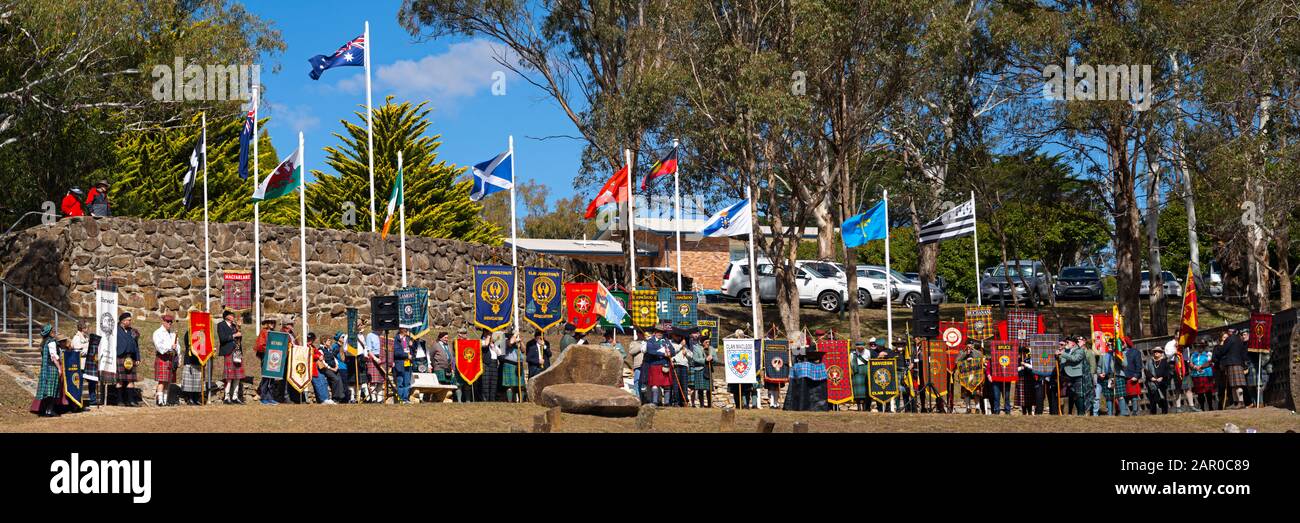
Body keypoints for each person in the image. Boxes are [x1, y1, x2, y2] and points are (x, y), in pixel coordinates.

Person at [1213, 329, 1248, 408]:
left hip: (1232, 363)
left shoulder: (1229, 339)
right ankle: (1236, 403)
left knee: (1237, 384)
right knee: (1234, 385)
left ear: (1230, 332)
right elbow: (1243, 353)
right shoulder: (1240, 340)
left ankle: (1241, 402)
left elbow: (1223, 351)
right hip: (1239, 363)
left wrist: (1218, 351)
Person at [31, 325, 62, 416]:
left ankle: (45, 410)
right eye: (53, 330)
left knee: (47, 390)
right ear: (49, 332)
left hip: (45, 368)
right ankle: (49, 410)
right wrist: (59, 368)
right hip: (52, 368)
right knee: (51, 390)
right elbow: (53, 357)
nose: (54, 331)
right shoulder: (51, 342)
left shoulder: (44, 343)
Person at [152, 314, 180, 407]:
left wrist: (177, 352)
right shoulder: (157, 333)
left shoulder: (173, 334)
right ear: (163, 321)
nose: (169, 323)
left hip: (171, 358)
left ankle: (165, 400)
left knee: (168, 381)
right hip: (162, 357)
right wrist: (170, 347)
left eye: (171, 322)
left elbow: (178, 346)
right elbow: (159, 347)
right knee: (162, 380)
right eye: (167, 321)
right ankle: (159, 401)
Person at [642, 327, 674, 406]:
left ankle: (666, 403)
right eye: (658, 332)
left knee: (667, 385)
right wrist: (663, 353)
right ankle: (655, 402)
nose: (660, 333)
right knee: (655, 385)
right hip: (655, 365)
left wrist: (670, 353)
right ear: (655, 333)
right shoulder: (650, 341)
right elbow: (650, 351)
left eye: (661, 332)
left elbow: (673, 350)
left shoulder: (666, 341)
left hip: (665, 365)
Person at [1058, 337, 1089, 416]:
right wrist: (1058, 356)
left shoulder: (1080, 350)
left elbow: (1075, 359)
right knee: (1072, 395)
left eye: (1067, 342)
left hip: (1078, 375)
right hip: (1068, 375)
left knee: (1079, 394)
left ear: (1073, 343)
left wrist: (1063, 354)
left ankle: (1081, 413)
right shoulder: (1066, 351)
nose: (1066, 344)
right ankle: (1070, 412)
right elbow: (1063, 361)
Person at [115, 312, 141, 406]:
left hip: (131, 357)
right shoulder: (115, 330)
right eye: (129, 320)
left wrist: (137, 357)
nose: (130, 321)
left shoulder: (132, 331)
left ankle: (131, 400)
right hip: (120, 357)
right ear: (123, 321)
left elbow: (136, 345)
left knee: (131, 380)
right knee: (120, 380)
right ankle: (120, 400)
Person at [1096, 338, 1127, 416]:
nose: (1109, 346)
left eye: (1111, 344)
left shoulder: (1120, 353)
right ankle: (1109, 414)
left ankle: (1123, 413)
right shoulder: (1103, 355)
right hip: (1107, 377)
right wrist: (1099, 373)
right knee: (1109, 397)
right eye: (1108, 344)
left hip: (1118, 376)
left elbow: (1125, 364)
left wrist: (1117, 357)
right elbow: (1099, 366)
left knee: (1120, 395)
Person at [253, 319, 279, 405]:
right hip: (266, 357)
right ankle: (264, 397)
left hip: (274, 358)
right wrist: (269, 349)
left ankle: (270, 397)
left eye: (273, 322)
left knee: (272, 378)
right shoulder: (263, 332)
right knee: (266, 378)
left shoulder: (274, 333)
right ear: (267, 323)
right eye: (270, 322)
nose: (272, 324)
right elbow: (260, 346)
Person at [72, 321, 97, 406]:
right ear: (83, 328)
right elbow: (77, 351)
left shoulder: (86, 337)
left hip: (89, 364)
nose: (88, 329)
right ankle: (78, 402)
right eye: (87, 327)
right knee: (79, 384)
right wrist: (88, 351)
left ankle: (93, 400)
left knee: (92, 382)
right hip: (81, 364)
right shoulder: (76, 338)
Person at [1145, 345, 1172, 415]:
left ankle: (1164, 412)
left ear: (1161, 353)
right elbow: (1146, 371)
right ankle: (1153, 413)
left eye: (1158, 352)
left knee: (1163, 398)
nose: (1156, 353)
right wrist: (1151, 378)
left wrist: (1162, 377)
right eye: (1154, 352)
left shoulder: (1164, 361)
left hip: (1162, 383)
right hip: (1152, 383)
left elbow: (1168, 372)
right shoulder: (1149, 362)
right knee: (1152, 399)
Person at [1189, 342, 1215, 411]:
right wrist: (1195, 367)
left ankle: (1210, 406)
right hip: (1196, 375)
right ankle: (1202, 407)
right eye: (1197, 347)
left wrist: (1201, 366)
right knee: (1199, 392)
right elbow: (1190, 363)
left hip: (1206, 374)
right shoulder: (1193, 355)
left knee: (1208, 391)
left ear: (1203, 347)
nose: (1199, 348)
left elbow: (1210, 362)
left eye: (1201, 347)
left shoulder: (1208, 354)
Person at [1121, 337, 1143, 415]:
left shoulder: (1135, 352)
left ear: (1127, 343)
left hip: (1132, 376)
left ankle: (1135, 411)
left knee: (1133, 396)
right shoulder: (1118, 352)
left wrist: (1136, 375)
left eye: (1123, 342)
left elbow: (1139, 365)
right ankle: (1125, 411)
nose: (1121, 344)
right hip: (1122, 377)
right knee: (1123, 395)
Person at [501, 331, 525, 402]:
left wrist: (521, 342)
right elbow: (510, 343)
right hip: (509, 364)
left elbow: (524, 350)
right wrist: (515, 335)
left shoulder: (517, 342)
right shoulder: (505, 341)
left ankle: (521, 401)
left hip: (519, 365)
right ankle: (510, 402)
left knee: (521, 385)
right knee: (510, 385)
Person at [391, 328, 413, 403]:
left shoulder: (408, 339)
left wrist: (411, 346)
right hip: (400, 363)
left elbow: (413, 351)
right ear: (402, 330)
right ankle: (400, 399)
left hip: (408, 363)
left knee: (407, 382)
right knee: (400, 381)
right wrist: (406, 356)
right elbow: (396, 353)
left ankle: (405, 398)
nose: (408, 331)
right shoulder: (396, 340)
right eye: (406, 330)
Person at [851, 340, 873, 411]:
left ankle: (865, 407)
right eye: (858, 347)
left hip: (866, 370)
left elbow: (871, 361)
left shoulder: (868, 352)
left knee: (867, 390)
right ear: (856, 347)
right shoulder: (852, 354)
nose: (860, 348)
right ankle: (858, 407)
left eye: (861, 347)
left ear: (864, 346)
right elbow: (850, 363)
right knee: (857, 391)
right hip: (856, 371)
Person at [624, 330, 645, 401]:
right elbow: (631, 352)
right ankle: (638, 398)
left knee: (645, 383)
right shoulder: (633, 343)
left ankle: (645, 399)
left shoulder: (648, 342)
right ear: (637, 334)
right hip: (638, 365)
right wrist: (641, 346)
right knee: (637, 382)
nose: (642, 335)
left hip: (646, 365)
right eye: (640, 333)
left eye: (643, 333)